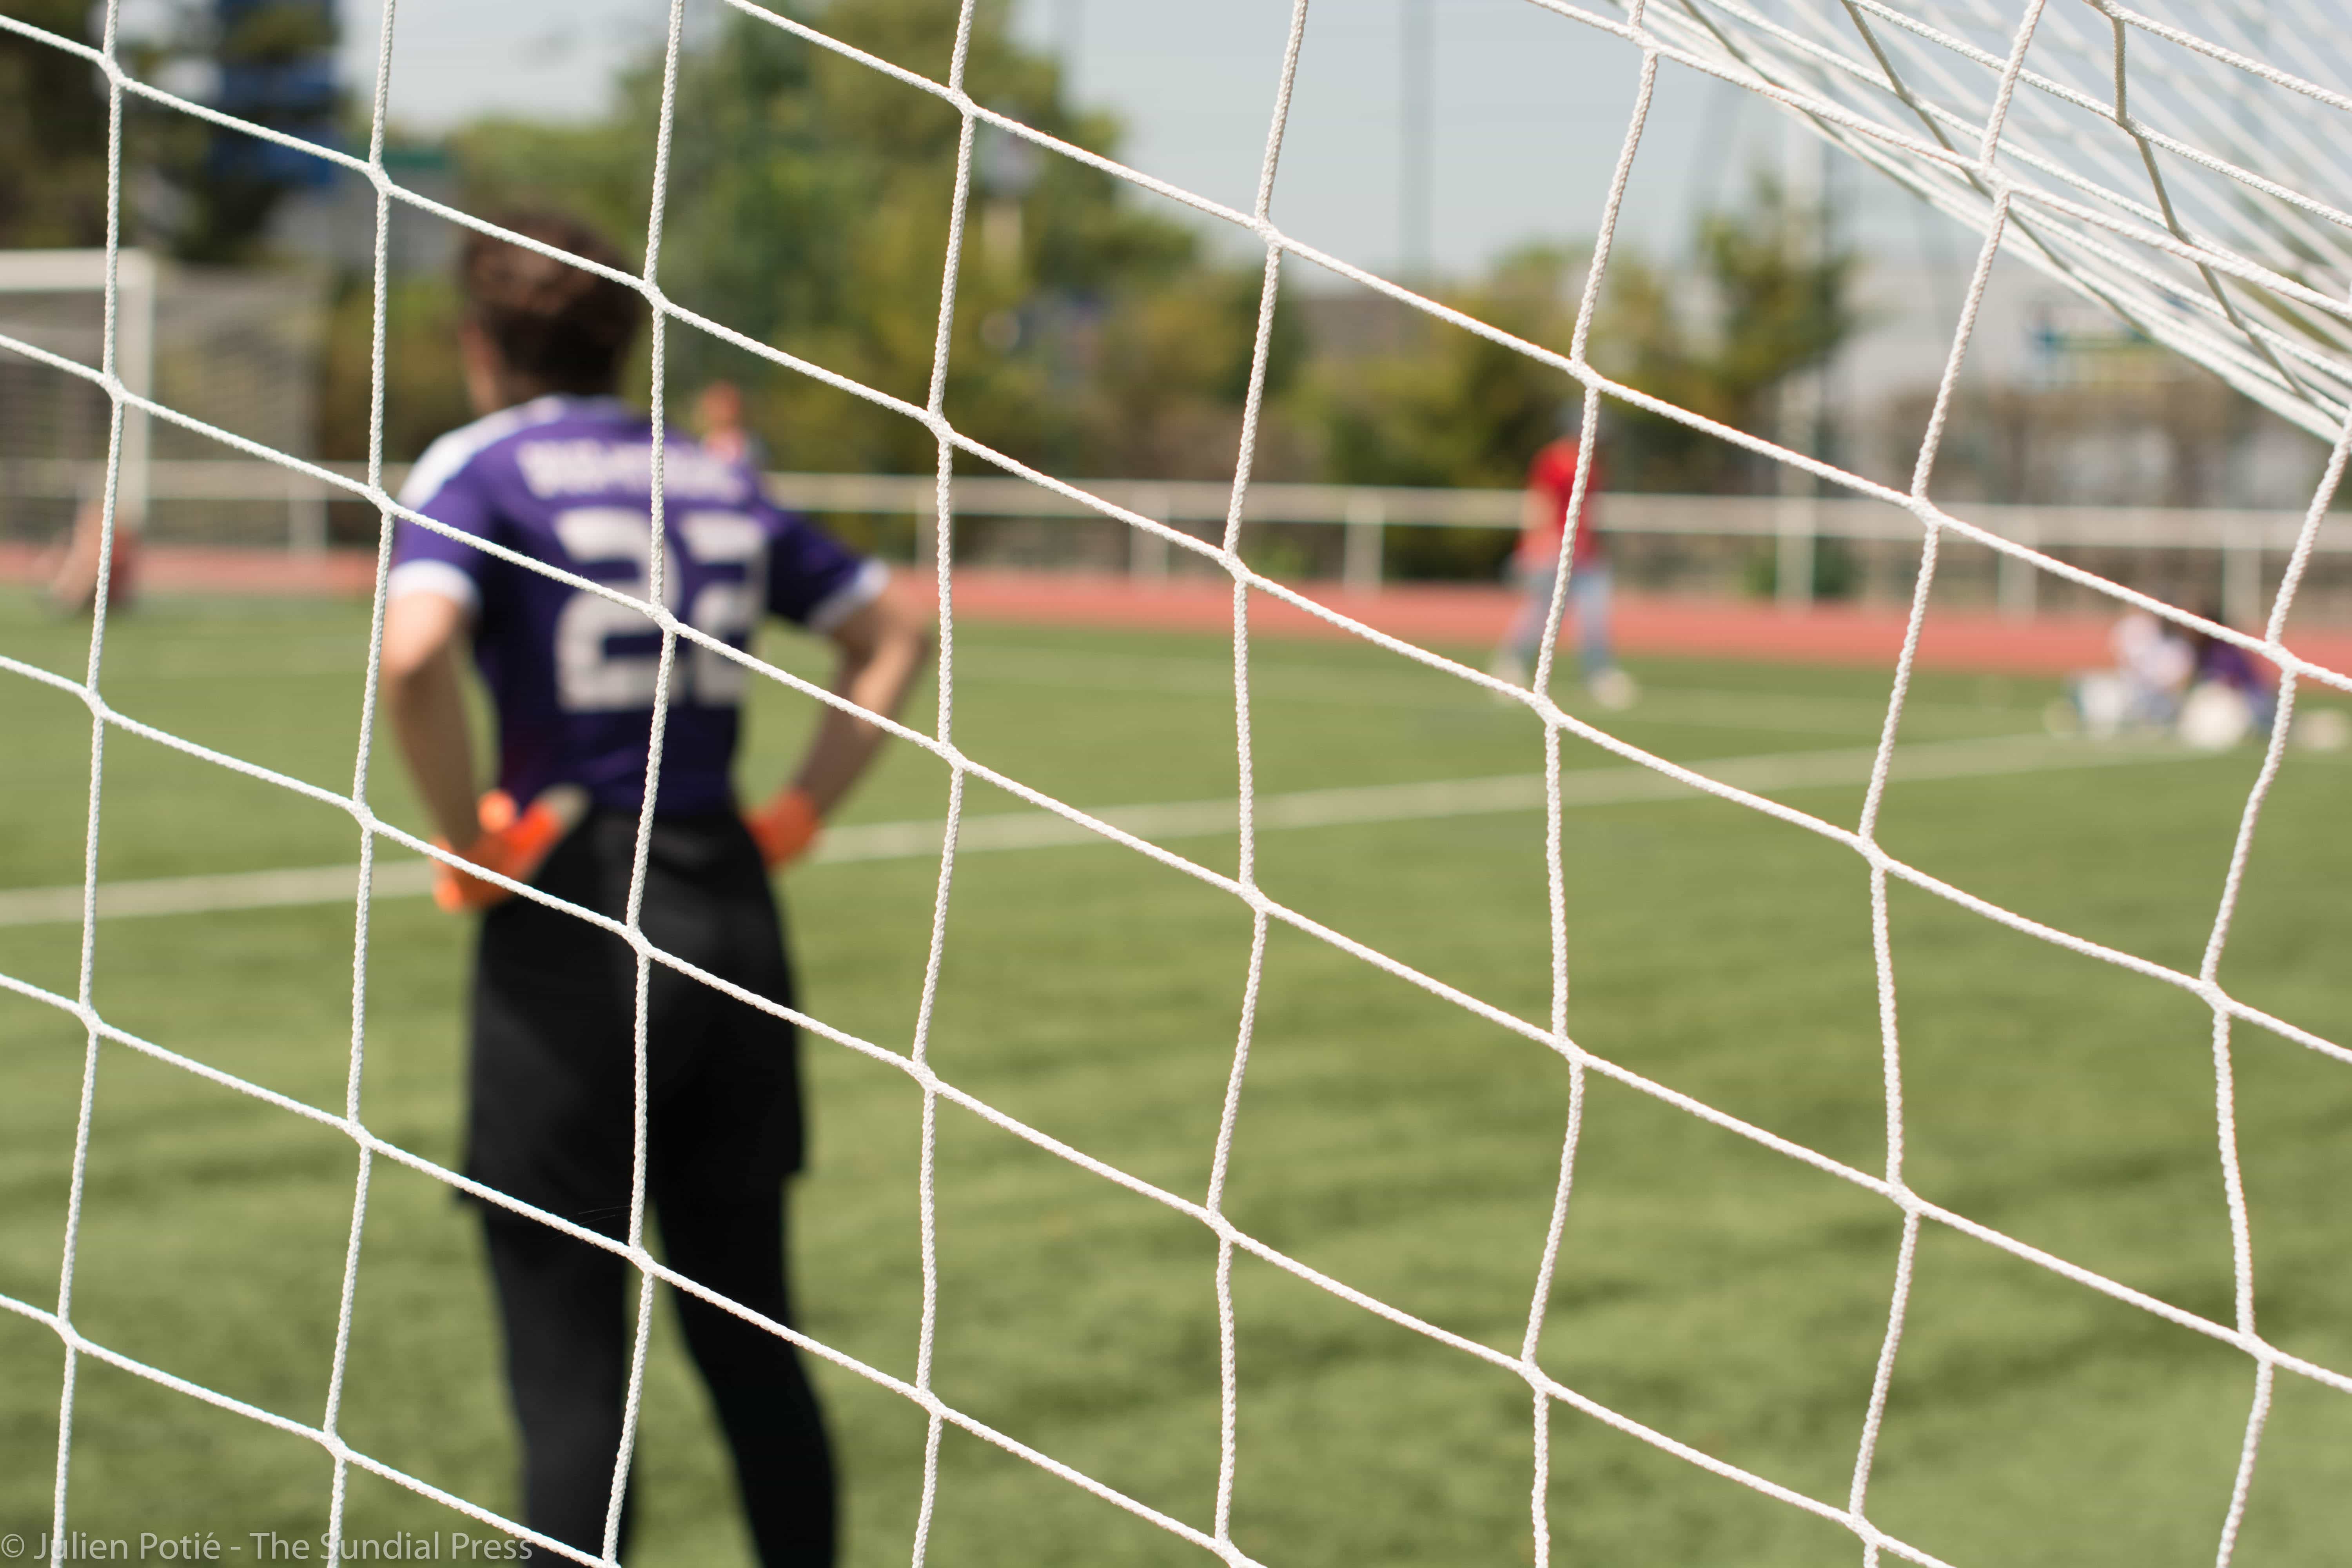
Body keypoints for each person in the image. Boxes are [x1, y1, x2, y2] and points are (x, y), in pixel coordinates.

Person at [378, 212, 931, 1563]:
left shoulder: (484, 465)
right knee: (754, 1344)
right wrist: (798, 810)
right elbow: (891, 632)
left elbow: (411, 656)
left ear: (477, 341)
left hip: (572, 918)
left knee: (575, 1379)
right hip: (733, 919)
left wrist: (467, 838)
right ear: (629, 337)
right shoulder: (709, 473)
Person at [1490, 403, 1636, 709]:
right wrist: (1537, 544)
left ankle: (1599, 674)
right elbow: (1540, 501)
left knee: (1594, 615)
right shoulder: (1554, 460)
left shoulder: (1593, 463)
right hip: (1555, 551)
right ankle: (1510, 665)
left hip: (1586, 553)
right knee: (1540, 613)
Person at [695, 378, 766, 470]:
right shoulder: (702, 445)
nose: (720, 411)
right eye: (716, 405)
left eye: (724, 405)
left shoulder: (751, 445)